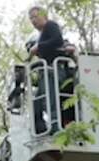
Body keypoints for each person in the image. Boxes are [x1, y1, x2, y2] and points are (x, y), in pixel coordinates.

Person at [27, 6, 66, 134]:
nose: (33, 20)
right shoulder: (41, 35)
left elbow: (57, 40)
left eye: (35, 16)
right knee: (36, 104)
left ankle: (55, 129)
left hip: (54, 71)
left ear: (44, 15)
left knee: (51, 99)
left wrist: (39, 47)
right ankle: (41, 131)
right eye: (31, 18)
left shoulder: (51, 25)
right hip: (46, 72)